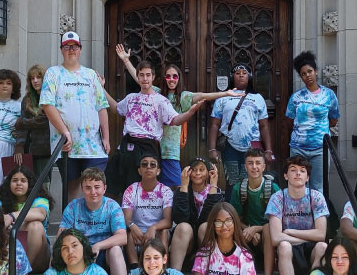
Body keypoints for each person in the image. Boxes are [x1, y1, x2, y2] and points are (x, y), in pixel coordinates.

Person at [115, 44, 243, 188]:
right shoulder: (157, 93)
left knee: (175, 186)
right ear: (164, 78)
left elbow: (203, 96)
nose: (171, 79)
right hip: (151, 148)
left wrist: (225, 93)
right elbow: (141, 79)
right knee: (151, 187)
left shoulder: (183, 97)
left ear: (179, 78)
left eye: (174, 76)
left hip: (169, 151)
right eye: (168, 76)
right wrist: (126, 61)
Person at [103, 60, 203, 200]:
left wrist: (189, 113)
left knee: (144, 189)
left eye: (148, 75)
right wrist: (101, 89)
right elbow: (116, 108)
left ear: (153, 77)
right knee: (111, 185)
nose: (145, 78)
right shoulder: (131, 98)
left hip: (148, 147)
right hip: (127, 146)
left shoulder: (161, 101)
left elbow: (174, 120)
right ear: (137, 77)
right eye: (142, 75)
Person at [40, 31, 110, 198]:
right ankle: (73, 224)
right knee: (71, 190)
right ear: (61, 49)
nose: (71, 50)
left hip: (93, 146)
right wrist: (65, 132)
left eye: (75, 46)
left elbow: (102, 106)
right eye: (67, 46)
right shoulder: (53, 73)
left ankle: (92, 223)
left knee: (94, 188)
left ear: (80, 49)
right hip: (66, 145)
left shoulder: (91, 75)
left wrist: (106, 137)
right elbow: (47, 105)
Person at [266, 155, 330, 275]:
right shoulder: (278, 198)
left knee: (323, 247)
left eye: (302, 171)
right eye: (293, 170)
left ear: (308, 177)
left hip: (310, 252)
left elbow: (322, 235)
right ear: (285, 175)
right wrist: (306, 237)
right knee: (284, 245)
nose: (298, 174)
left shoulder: (316, 197)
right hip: (289, 252)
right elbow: (276, 238)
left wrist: (291, 232)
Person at [60, 167, 128, 275]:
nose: (93, 192)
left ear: (104, 188)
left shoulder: (112, 206)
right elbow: (62, 236)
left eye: (97, 187)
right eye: (88, 187)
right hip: (80, 256)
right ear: (82, 189)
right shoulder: (73, 207)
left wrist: (98, 245)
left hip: (105, 256)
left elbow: (123, 236)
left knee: (116, 249)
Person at [208, 63, 274, 198]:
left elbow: (264, 126)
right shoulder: (223, 97)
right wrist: (212, 149)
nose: (241, 75)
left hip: (252, 147)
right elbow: (215, 124)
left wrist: (268, 150)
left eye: (244, 73)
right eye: (238, 73)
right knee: (232, 181)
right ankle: (231, 215)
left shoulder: (258, 98)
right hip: (229, 146)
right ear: (232, 77)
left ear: (249, 77)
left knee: (250, 181)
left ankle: (248, 215)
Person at [229, 148, 279, 275]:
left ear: (264, 166)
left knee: (269, 228)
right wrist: (249, 230)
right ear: (245, 167)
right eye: (250, 163)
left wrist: (257, 229)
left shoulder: (273, 188)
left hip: (267, 235)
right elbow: (234, 217)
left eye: (258, 163)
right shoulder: (239, 188)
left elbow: (277, 220)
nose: (254, 167)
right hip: (246, 234)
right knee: (230, 227)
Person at [286, 51, 340, 193]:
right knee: (298, 186)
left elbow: (333, 120)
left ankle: (317, 215)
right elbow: (290, 121)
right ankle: (299, 214)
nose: (307, 75)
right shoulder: (296, 97)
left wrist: (317, 130)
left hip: (320, 149)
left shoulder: (329, 95)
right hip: (298, 148)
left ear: (315, 71)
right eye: (303, 74)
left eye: (310, 71)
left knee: (318, 188)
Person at [0, 166, 53, 272]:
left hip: (37, 257)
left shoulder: (39, 200)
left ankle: (22, 272)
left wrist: (11, 217)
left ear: (30, 184)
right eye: (15, 180)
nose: (19, 183)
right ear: (9, 184)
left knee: (35, 225)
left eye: (23, 181)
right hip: (7, 252)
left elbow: (40, 213)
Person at [169, 157, 224, 271]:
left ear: (208, 173)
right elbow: (180, 218)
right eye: (194, 170)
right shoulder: (181, 190)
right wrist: (184, 186)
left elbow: (210, 218)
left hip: (204, 239)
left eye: (201, 169)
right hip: (186, 241)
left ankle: (212, 273)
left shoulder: (215, 191)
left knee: (205, 227)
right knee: (183, 227)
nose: (197, 173)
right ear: (188, 172)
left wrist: (213, 186)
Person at [122, 153, 173, 269]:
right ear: (139, 171)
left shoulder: (165, 191)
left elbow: (168, 220)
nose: (148, 167)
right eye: (144, 165)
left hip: (156, 233)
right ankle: (134, 269)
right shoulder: (131, 190)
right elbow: (126, 219)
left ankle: (163, 268)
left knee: (164, 231)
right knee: (127, 233)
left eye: (152, 165)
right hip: (137, 234)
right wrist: (132, 225)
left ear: (158, 171)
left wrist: (153, 228)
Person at [14, 64, 52, 178]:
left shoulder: (51, 96)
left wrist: (23, 122)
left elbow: (46, 120)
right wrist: (19, 147)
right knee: (28, 183)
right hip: (30, 148)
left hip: (46, 149)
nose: (35, 81)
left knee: (44, 185)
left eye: (38, 77)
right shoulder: (27, 99)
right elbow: (21, 129)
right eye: (32, 78)